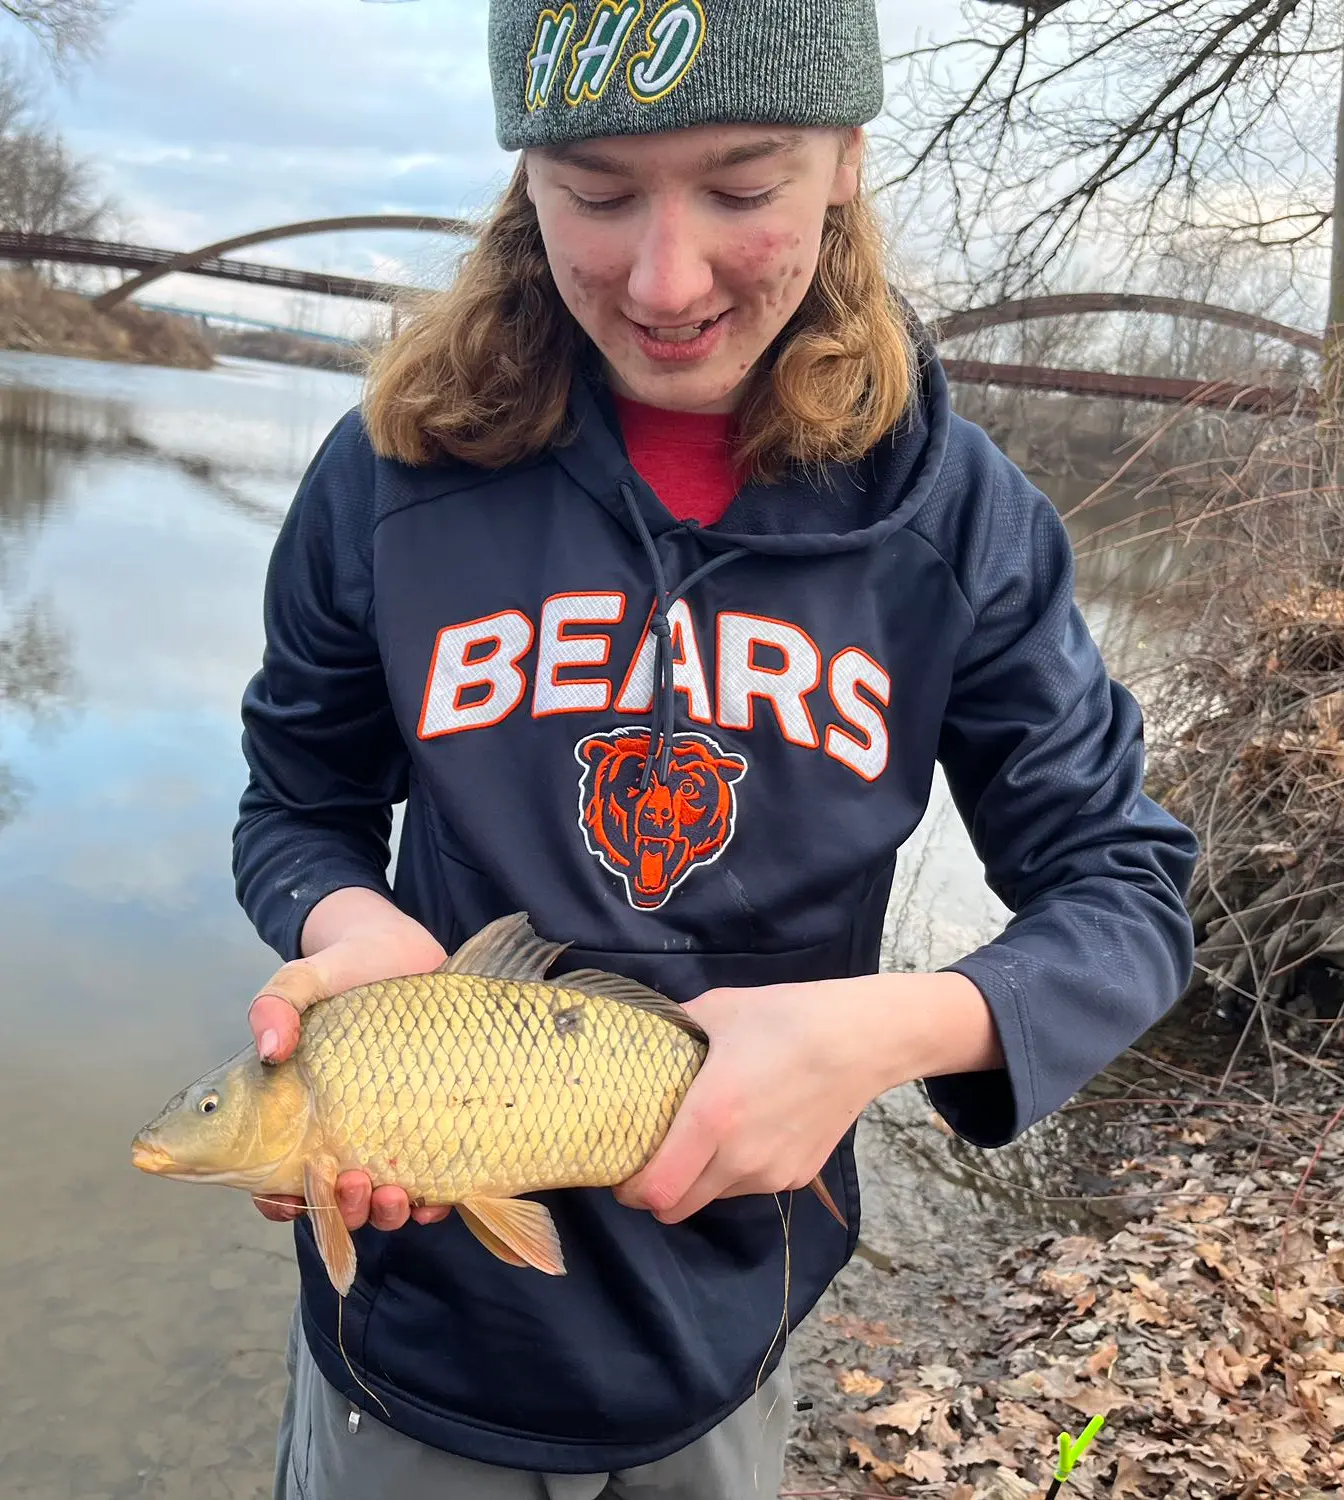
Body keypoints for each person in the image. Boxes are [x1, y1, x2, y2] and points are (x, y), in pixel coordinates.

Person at [232, 1, 1199, 1495]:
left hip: (730, 1326)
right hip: (418, 1337)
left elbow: (1127, 895)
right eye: (597, 193)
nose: (665, 278)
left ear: (845, 162)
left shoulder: (962, 524)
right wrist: (348, 922)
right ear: (524, 180)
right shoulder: (391, 472)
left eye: (743, 189)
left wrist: (880, 1033)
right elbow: (296, 806)